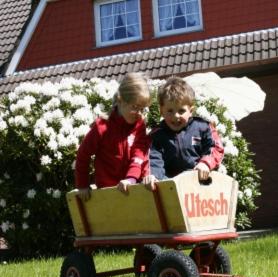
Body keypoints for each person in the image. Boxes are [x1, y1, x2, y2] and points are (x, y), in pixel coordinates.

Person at [75, 72, 151, 201]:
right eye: (135, 107)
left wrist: (131, 179)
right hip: (106, 192)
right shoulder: (102, 127)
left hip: (133, 187)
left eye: (142, 109)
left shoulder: (139, 125)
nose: (139, 113)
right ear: (120, 100)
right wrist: (82, 185)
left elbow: (139, 155)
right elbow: (83, 155)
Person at [143, 76, 224, 190]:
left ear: (190, 111)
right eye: (170, 111)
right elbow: (153, 158)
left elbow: (215, 147)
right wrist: (153, 176)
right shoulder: (157, 135)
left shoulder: (203, 128)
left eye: (181, 111)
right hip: (171, 186)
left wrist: (206, 163)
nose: (176, 116)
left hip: (199, 183)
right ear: (161, 111)